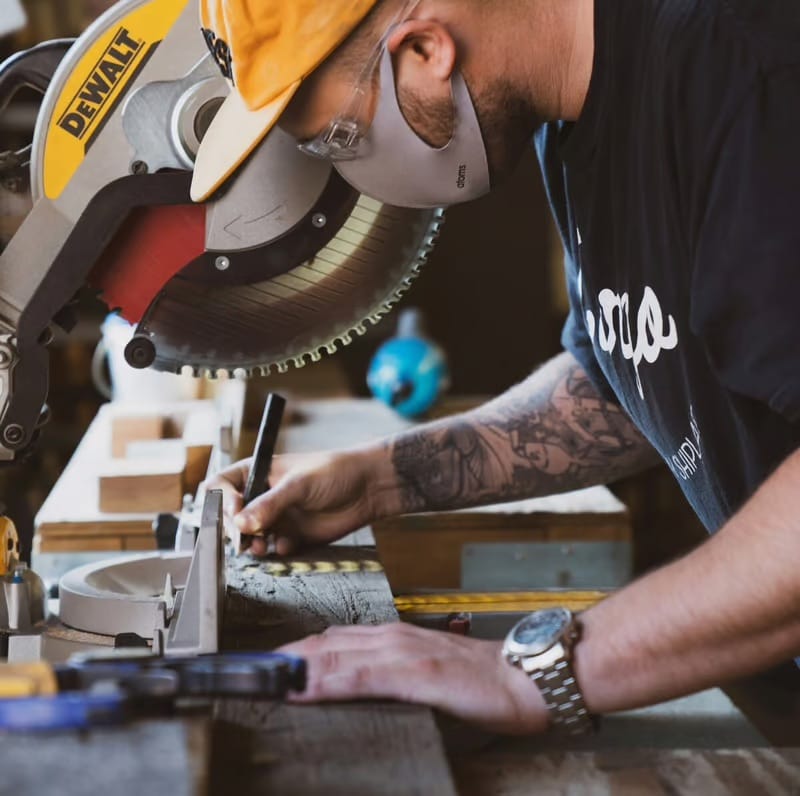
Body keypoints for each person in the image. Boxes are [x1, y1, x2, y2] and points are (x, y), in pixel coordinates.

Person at [195, 0, 800, 735]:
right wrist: (381, 476)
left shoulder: (750, 74)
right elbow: (632, 382)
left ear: (425, 49)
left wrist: (538, 672)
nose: (343, 172)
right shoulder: (571, 111)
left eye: (335, 141)